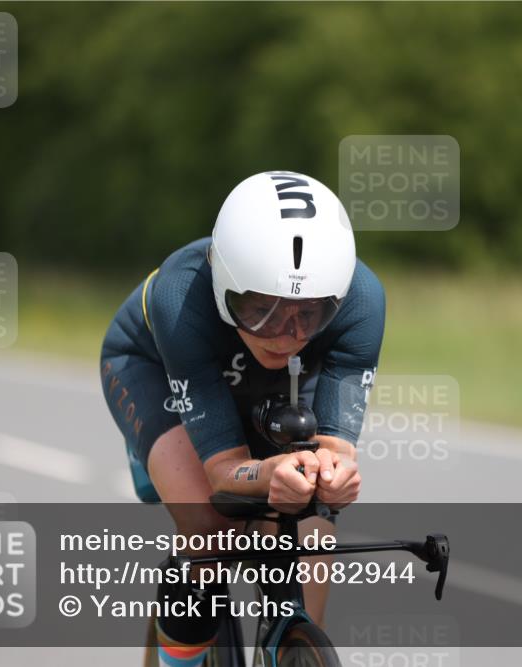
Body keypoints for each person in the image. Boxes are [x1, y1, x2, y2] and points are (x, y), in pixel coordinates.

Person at [100, 171, 385, 666]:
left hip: (277, 381)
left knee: (313, 530)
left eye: (309, 315)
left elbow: (337, 451)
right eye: (260, 310)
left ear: (335, 301)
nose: (284, 334)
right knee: (210, 528)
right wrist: (264, 474)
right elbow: (222, 470)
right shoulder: (179, 296)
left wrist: (334, 476)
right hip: (151, 364)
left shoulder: (361, 300)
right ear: (224, 286)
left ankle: (289, 643)